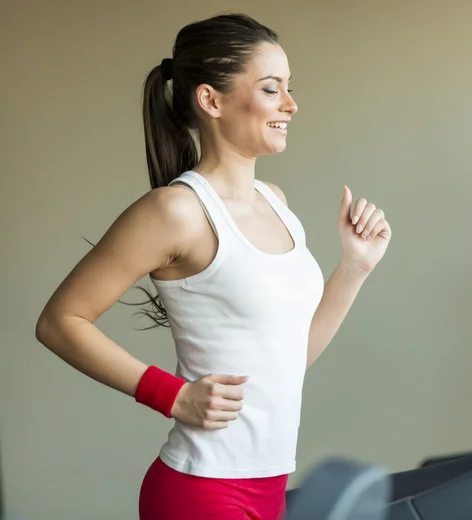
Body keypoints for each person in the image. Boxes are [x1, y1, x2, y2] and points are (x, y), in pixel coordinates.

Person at [34, 12, 392, 520]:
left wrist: (355, 266)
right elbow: (59, 321)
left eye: (289, 88)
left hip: (269, 489)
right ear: (211, 99)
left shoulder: (276, 202)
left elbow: (289, 358)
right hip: (201, 492)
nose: (291, 105)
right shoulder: (175, 211)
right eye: (272, 89)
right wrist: (172, 396)